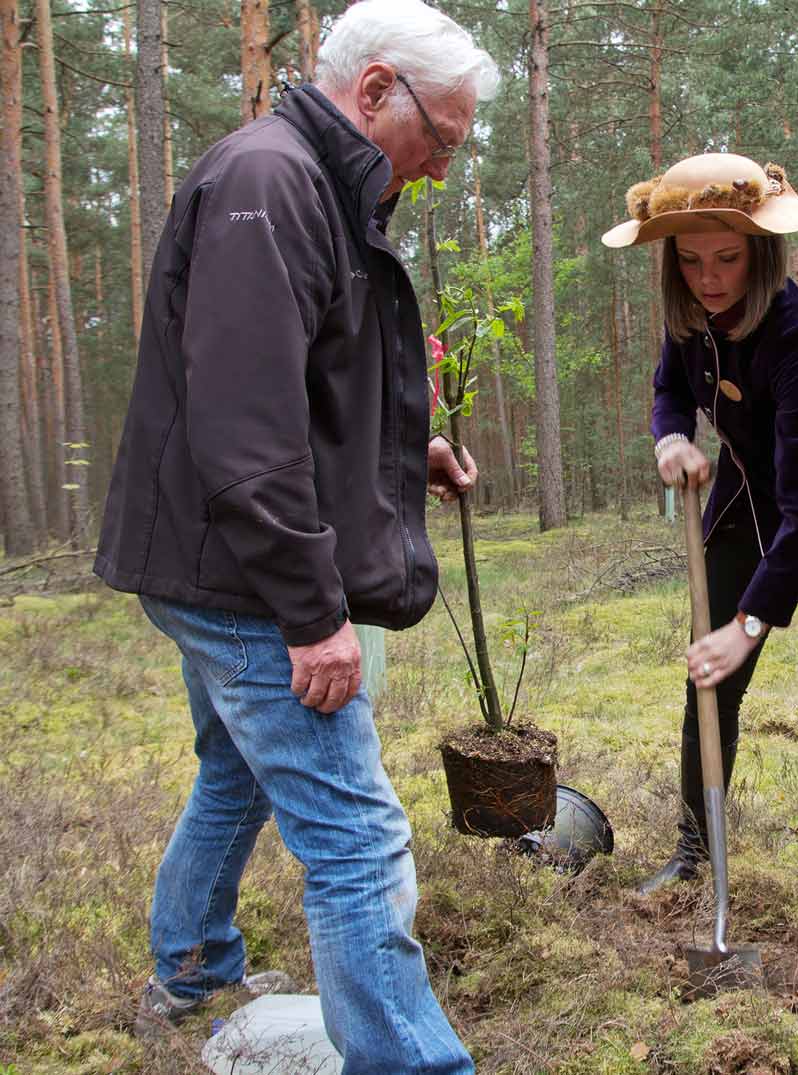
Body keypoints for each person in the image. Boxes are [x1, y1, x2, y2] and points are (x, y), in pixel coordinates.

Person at [93, 1, 499, 1069]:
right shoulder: (269, 185)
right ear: (375, 92)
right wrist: (312, 617)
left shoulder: (316, 187)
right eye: (441, 141)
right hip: (240, 576)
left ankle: (190, 970)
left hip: (219, 558)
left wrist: (414, 453)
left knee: (234, 774)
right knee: (359, 840)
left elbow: (313, 375)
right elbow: (246, 425)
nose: (443, 170)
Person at [601, 153, 798, 983]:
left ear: (762, 253)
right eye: (691, 259)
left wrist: (750, 625)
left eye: (727, 257)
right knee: (708, 679)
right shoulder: (693, 319)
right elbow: (671, 388)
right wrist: (672, 437)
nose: (709, 277)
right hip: (749, 504)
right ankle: (694, 854)